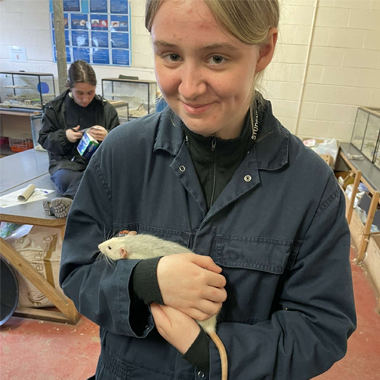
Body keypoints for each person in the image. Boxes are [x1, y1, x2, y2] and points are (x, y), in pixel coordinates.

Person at [60, 1, 356, 379]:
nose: (189, 87)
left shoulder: (311, 187)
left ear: (264, 50)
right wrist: (143, 280)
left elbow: (322, 328)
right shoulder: (121, 155)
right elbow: (77, 271)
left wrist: (211, 351)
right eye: (170, 55)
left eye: (216, 58)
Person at [38, 60, 120, 218]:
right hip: (66, 165)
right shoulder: (54, 108)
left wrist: (109, 136)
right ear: (70, 87)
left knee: (100, 178)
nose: (85, 99)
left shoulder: (106, 109)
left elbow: (121, 143)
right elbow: (44, 139)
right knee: (74, 180)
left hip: (98, 165)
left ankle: (67, 200)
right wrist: (65, 136)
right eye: (79, 93)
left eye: (90, 93)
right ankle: (70, 201)